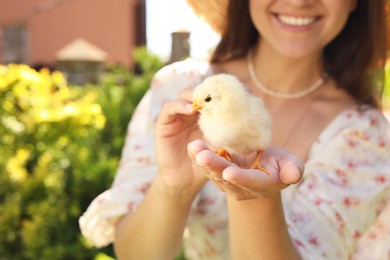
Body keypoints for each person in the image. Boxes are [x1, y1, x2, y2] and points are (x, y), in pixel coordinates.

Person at [79, 0, 390, 259]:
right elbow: (137, 255)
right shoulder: (179, 91)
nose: (299, 1)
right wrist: (174, 187)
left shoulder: (365, 136)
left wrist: (254, 197)